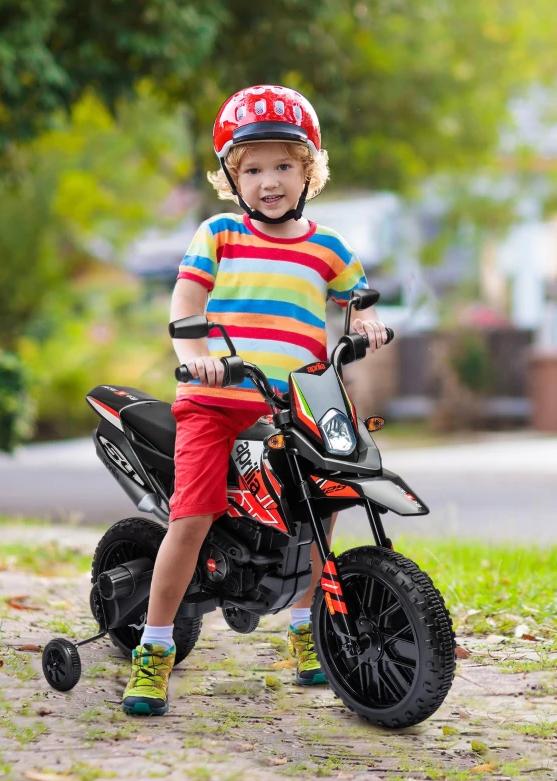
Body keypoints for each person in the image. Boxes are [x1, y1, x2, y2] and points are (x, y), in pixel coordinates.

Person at [122, 85, 387, 716]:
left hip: (300, 401)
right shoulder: (219, 233)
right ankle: (154, 647)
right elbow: (186, 302)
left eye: (284, 165)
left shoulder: (328, 245)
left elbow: (359, 300)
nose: (270, 181)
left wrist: (368, 324)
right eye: (253, 169)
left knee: (322, 508)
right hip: (217, 399)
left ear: (309, 172)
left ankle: (305, 631)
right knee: (192, 517)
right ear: (232, 178)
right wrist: (196, 356)